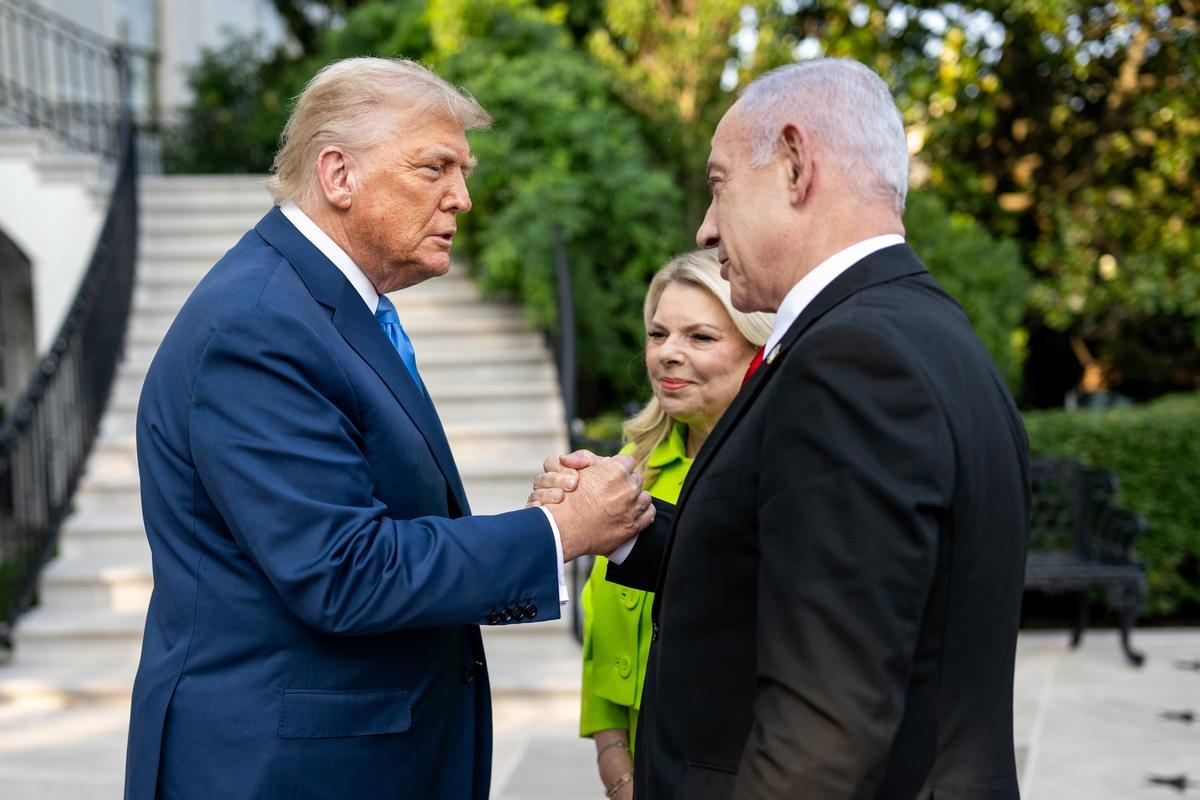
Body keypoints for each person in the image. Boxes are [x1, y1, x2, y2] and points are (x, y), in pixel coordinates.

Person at [124, 57, 654, 800]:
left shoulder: (318, 308)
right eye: (434, 168)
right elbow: (343, 572)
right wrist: (557, 533)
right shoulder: (259, 325)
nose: (462, 199)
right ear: (338, 175)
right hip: (281, 773)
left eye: (462, 170)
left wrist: (546, 525)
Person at [536, 58, 1030, 799]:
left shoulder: (851, 358)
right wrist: (635, 528)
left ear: (796, 165)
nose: (705, 226)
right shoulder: (925, 327)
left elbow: (825, 718)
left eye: (718, 183)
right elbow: (790, 570)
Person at [576, 251, 773, 800]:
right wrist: (616, 767)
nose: (668, 354)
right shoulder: (630, 469)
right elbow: (602, 642)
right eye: (658, 334)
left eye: (700, 338)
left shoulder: (779, 475)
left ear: (756, 349)